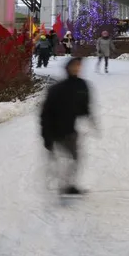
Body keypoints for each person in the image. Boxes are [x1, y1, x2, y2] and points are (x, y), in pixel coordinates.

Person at [40, 57, 96, 195]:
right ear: (67, 68)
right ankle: (62, 183)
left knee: (75, 158)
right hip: (55, 129)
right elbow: (45, 113)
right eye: (74, 66)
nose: (77, 68)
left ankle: (68, 185)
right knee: (66, 159)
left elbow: (84, 105)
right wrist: (46, 137)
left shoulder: (82, 85)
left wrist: (89, 116)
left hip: (70, 129)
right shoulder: (57, 89)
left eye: (79, 66)